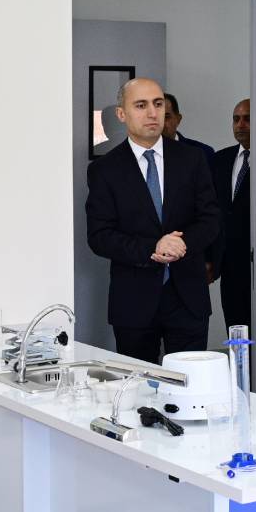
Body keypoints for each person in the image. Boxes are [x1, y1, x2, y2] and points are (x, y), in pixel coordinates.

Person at [85, 77, 221, 364]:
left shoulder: (192, 159)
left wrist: (181, 244)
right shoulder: (105, 170)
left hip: (187, 297)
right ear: (122, 114)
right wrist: (154, 247)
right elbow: (99, 236)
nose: (152, 113)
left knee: (189, 383)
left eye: (158, 104)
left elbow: (210, 219)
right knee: (138, 384)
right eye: (141, 105)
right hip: (133, 301)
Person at [208, 98, 253, 330]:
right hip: (227, 262)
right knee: (235, 327)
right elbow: (210, 211)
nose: (240, 125)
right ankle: (239, 356)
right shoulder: (220, 159)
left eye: (247, 119)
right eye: (236, 119)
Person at [162, 93, 215, 161]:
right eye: (153, 118)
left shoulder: (203, 153)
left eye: (166, 117)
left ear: (178, 119)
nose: (159, 123)